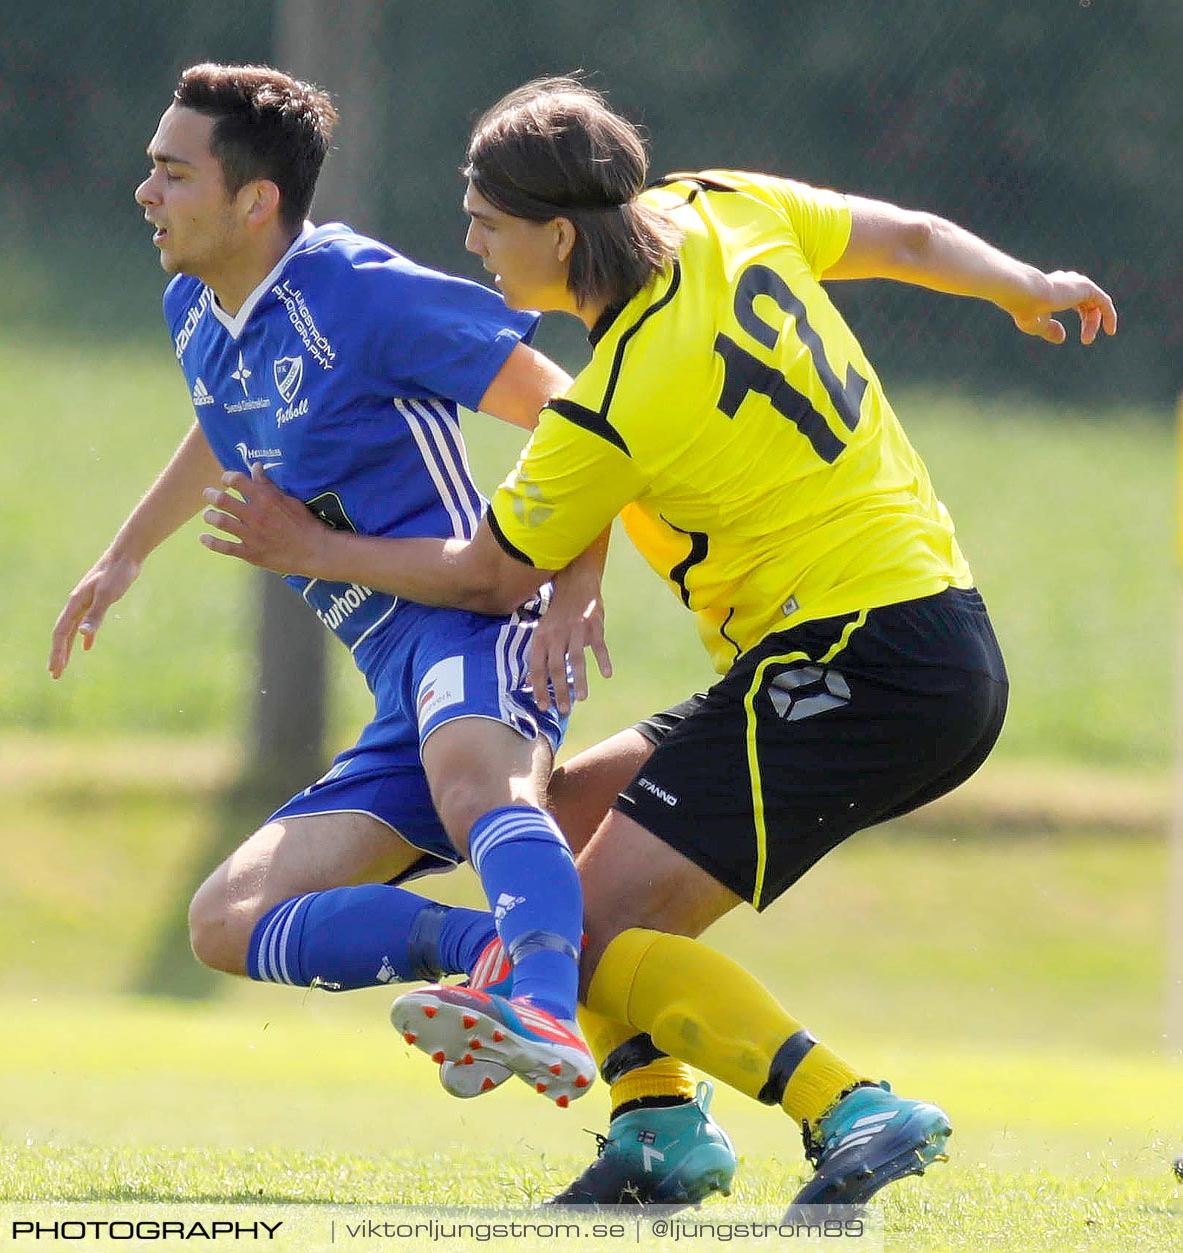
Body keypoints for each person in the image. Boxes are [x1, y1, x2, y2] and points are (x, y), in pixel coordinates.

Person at [200, 74, 1115, 1211]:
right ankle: (659, 1126)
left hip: (862, 660)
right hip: (899, 636)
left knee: (581, 919)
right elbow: (909, 234)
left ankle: (848, 1104)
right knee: (558, 834)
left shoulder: (615, 397)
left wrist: (310, 547)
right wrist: (1024, 285)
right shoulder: (718, 204)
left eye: (486, 221)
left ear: (556, 231)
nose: (471, 241)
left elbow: (489, 573)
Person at [49, 63, 609, 1108]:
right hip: (403, 698)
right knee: (225, 918)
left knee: (477, 780)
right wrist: (124, 552)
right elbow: (224, 421)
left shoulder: (359, 290)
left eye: (173, 173)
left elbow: (576, 412)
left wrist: (577, 579)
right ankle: (497, 952)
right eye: (150, 169)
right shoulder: (195, 307)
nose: (147, 193)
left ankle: (545, 995)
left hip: (478, 628)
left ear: (256, 201)